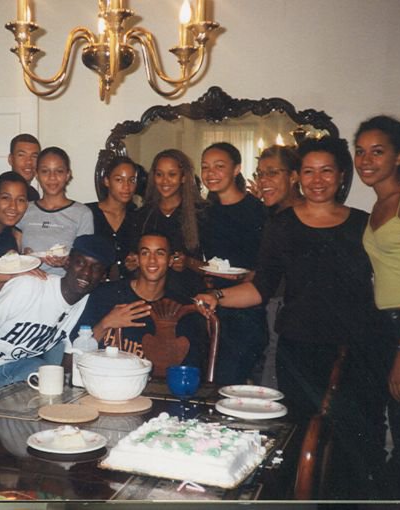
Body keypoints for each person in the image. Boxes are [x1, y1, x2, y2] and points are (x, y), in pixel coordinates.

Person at [195, 137, 388, 499]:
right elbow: (260, 288)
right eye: (309, 172)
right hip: (299, 350)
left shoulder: (363, 224)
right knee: (299, 438)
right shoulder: (282, 225)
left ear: (341, 176)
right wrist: (217, 297)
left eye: (326, 171)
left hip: (353, 352)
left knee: (351, 446)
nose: (317, 180)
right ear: (299, 176)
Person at [354, 115, 400, 500]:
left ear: (399, 156)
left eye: (377, 151)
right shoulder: (381, 203)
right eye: (360, 151)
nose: (366, 160)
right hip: (388, 324)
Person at [0, 234, 114, 401]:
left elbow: (68, 360)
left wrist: (62, 399)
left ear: (103, 276)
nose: (86, 273)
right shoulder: (29, 286)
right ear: (68, 263)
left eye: (96, 268)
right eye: (80, 263)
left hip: (22, 367)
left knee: (51, 395)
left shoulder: (85, 305)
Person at [70, 232, 206, 370]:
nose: (152, 260)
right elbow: (76, 351)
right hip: (102, 377)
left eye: (160, 253)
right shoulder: (105, 294)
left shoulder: (179, 308)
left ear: (170, 260)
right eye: (145, 253)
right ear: (137, 259)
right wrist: (105, 324)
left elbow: (190, 367)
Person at [199, 142, 267, 385]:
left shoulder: (258, 210)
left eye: (219, 166)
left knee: (229, 381)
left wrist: (251, 275)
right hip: (211, 304)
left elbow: (268, 265)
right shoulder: (205, 212)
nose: (210, 173)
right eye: (205, 167)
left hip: (246, 308)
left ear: (236, 169)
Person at [250, 145, 303, 388]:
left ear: (293, 176)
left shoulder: (301, 217)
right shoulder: (275, 215)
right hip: (271, 306)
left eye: (272, 173)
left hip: (286, 313)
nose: (263, 180)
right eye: (260, 174)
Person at [127, 149, 207, 296]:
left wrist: (188, 262)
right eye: (159, 174)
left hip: (189, 295)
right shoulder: (142, 216)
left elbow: (216, 268)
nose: (165, 181)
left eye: (172, 174)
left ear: (183, 177)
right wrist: (132, 263)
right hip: (149, 296)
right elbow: (133, 257)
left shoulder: (202, 214)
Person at [18, 146, 94, 276]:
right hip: (27, 280)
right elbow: (11, 253)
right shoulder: (24, 209)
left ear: (67, 174)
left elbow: (86, 261)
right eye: (45, 171)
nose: (52, 177)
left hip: (63, 284)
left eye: (59, 171)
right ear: (36, 174)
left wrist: (67, 262)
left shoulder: (82, 214)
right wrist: (23, 258)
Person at [0, 171, 45, 306]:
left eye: (20, 200)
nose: (13, 207)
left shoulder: (8, 241)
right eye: (6, 198)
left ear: (26, 205)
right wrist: (16, 273)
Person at [86, 155, 139, 281]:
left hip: (127, 287)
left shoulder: (138, 217)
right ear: (107, 181)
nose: (126, 186)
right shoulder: (87, 213)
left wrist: (137, 262)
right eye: (119, 180)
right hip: (93, 288)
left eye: (131, 180)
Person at [8, 133, 41, 201]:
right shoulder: (0, 196)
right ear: (11, 159)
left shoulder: (33, 195)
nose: (29, 161)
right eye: (21, 155)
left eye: (34, 156)